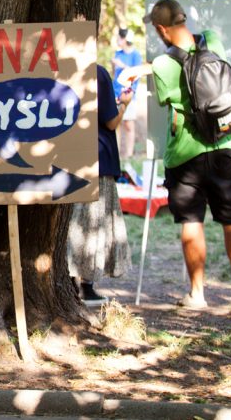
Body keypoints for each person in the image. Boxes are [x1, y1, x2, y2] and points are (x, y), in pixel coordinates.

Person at [144, 0, 231, 308]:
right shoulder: (214, 41)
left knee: (192, 222)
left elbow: (166, 99)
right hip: (225, 147)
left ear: (160, 28)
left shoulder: (162, 64)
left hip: (185, 154)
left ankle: (197, 294)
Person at [68, 64, 133, 304]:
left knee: (74, 223)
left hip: (69, 156)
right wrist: (124, 103)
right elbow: (111, 121)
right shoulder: (97, 72)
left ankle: (70, 280)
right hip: (98, 156)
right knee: (92, 223)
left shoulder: (61, 68)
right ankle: (86, 284)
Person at [112, 28, 143, 158]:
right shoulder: (117, 53)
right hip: (115, 92)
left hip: (129, 93)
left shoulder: (136, 55)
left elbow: (137, 72)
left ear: (124, 39)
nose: (118, 40)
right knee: (115, 124)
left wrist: (122, 65)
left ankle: (129, 154)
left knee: (128, 124)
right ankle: (116, 153)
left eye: (119, 38)